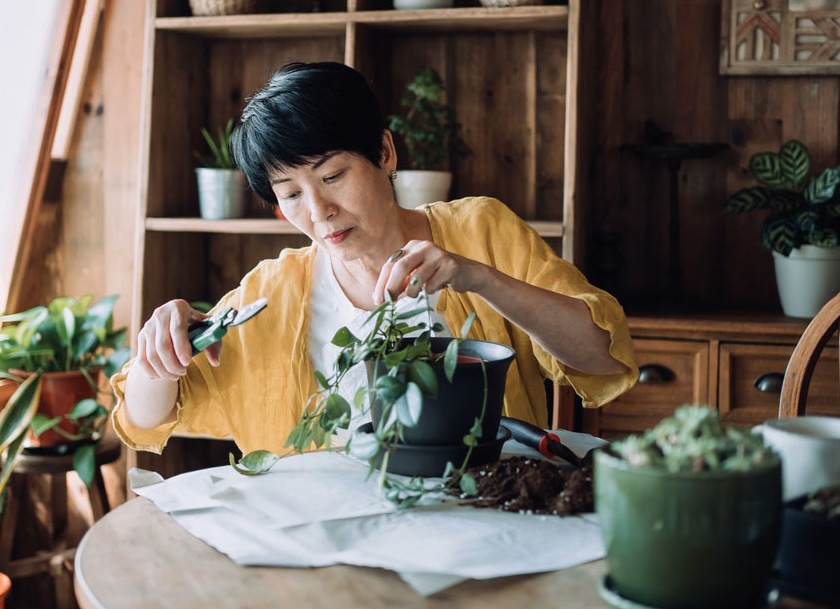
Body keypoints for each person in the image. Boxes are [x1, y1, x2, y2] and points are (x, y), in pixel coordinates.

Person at [111, 62, 637, 455]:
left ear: (385, 153)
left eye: (332, 175)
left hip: (483, 515)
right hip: (327, 542)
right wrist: (160, 352)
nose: (320, 212)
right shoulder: (271, 293)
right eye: (290, 195)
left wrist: (477, 277)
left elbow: (603, 357)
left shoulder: (480, 229)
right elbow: (142, 417)